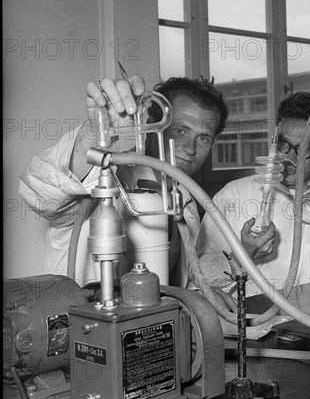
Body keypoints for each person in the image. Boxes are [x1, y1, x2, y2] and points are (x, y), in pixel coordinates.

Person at [18, 75, 273, 312]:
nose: (190, 148)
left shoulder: (184, 200)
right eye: (181, 130)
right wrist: (95, 135)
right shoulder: (103, 180)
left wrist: (241, 254)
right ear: (152, 125)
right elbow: (44, 193)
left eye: (203, 138)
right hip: (81, 338)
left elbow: (185, 278)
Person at [196, 91, 310, 297]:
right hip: (248, 324)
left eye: (305, 149)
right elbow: (197, 280)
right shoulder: (233, 196)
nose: (289, 157)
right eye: (284, 144)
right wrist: (243, 255)